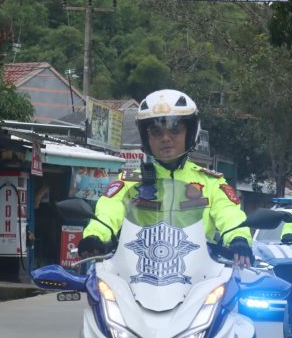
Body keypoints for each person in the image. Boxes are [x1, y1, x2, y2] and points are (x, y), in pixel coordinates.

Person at [76, 89, 253, 266]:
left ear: (190, 132)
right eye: (156, 131)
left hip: (200, 274)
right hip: (138, 272)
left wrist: (238, 238)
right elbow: (108, 210)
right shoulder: (130, 182)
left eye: (175, 130)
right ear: (147, 137)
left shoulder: (211, 182)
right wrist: (96, 236)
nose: (166, 138)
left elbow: (229, 214)